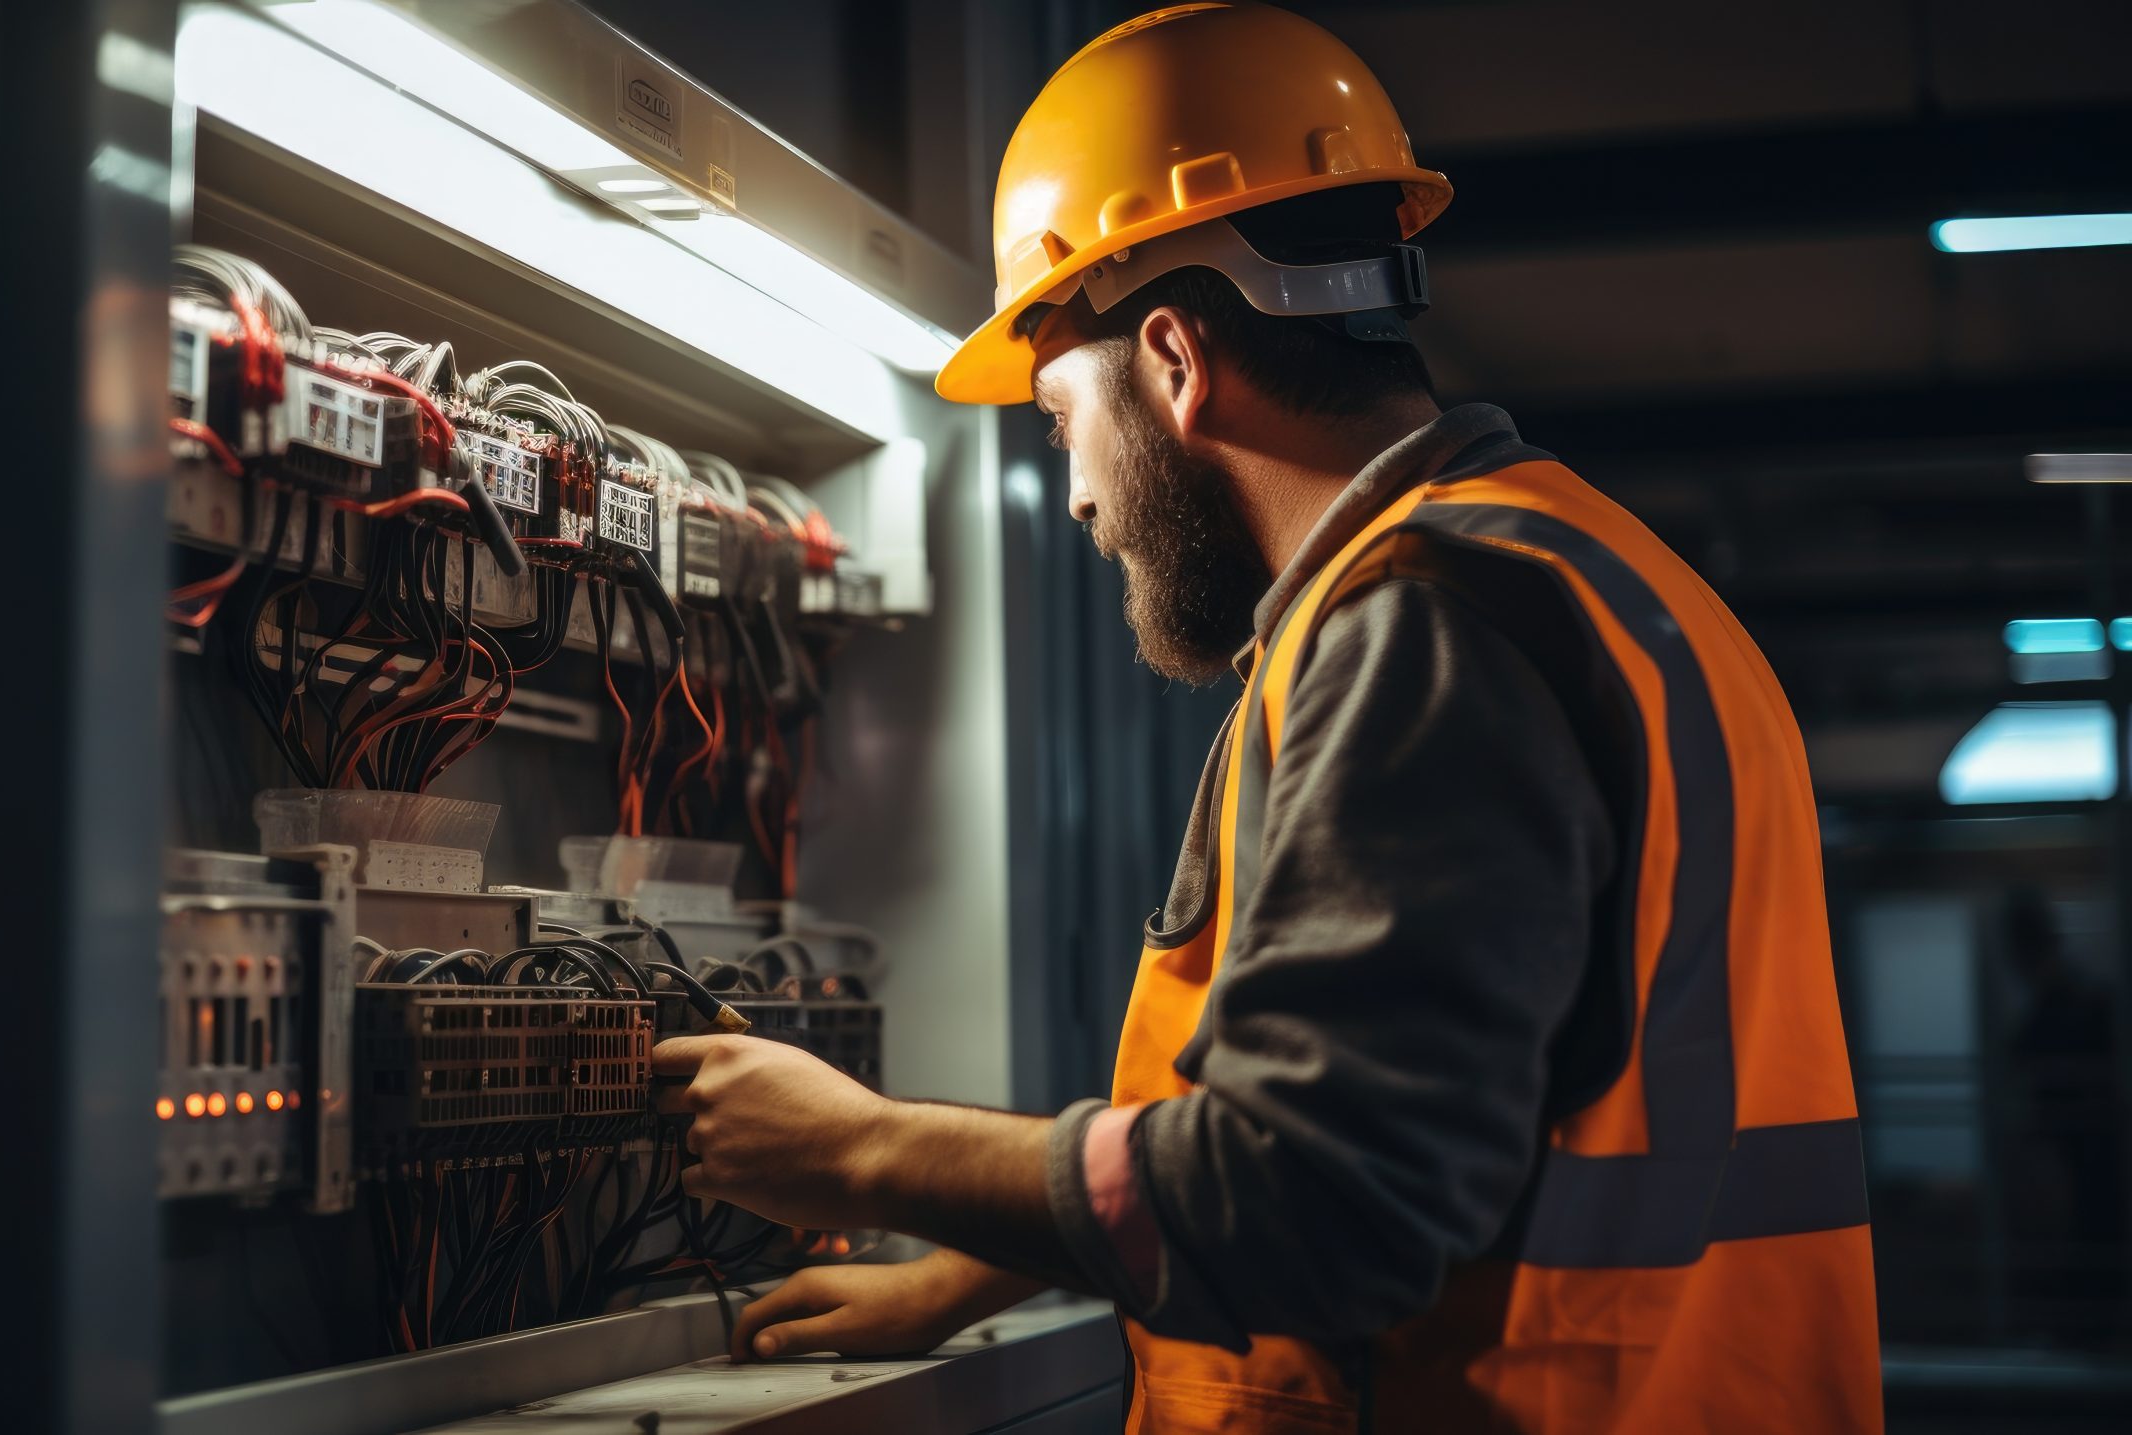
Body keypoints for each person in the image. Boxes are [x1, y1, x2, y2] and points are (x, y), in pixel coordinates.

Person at [651, 5, 1883, 1430]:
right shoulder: (1586, 574)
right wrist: (977, 1266)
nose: (1078, 499)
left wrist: (862, 1149)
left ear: (1172, 361)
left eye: (1061, 422)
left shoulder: (1423, 626)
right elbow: (1451, 1107)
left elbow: (1318, 1201)